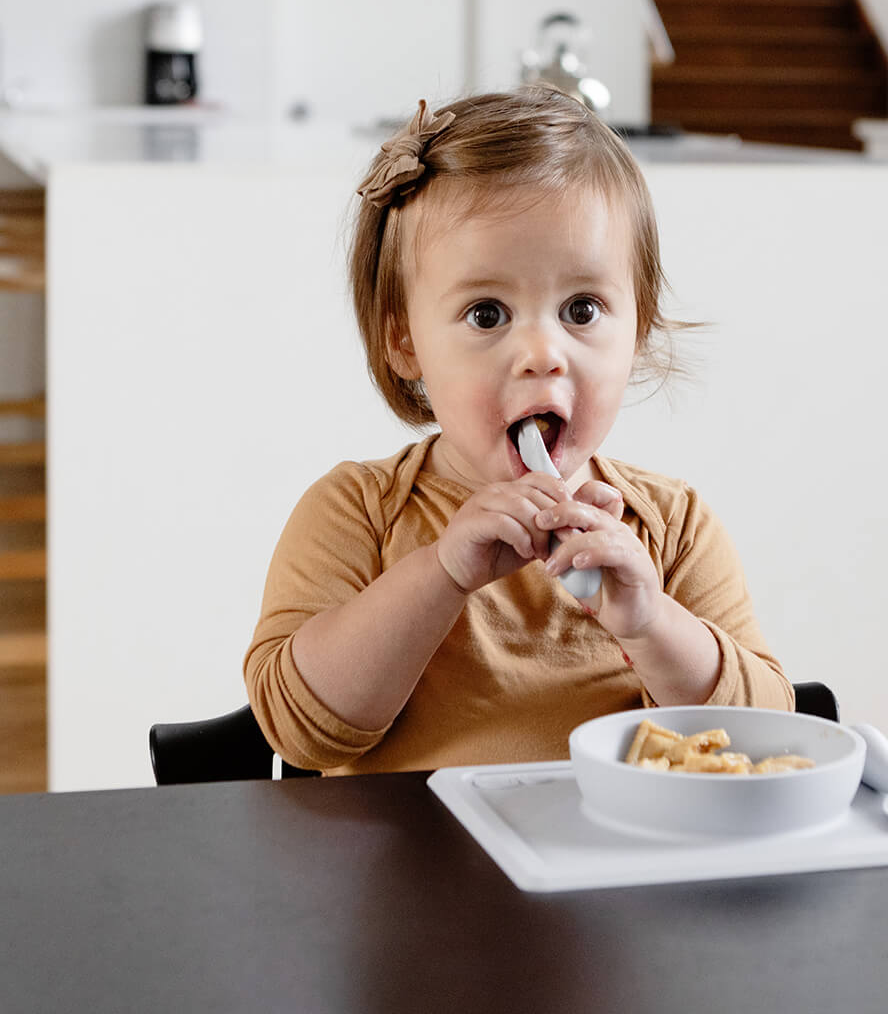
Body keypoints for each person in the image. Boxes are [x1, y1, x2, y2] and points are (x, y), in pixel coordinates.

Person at [244, 86, 794, 774]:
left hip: (621, 872)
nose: (543, 352)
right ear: (405, 341)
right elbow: (302, 732)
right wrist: (441, 573)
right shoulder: (358, 513)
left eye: (583, 308)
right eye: (487, 315)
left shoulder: (671, 528)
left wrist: (651, 623)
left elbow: (767, 736)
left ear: (639, 328)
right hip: (417, 875)